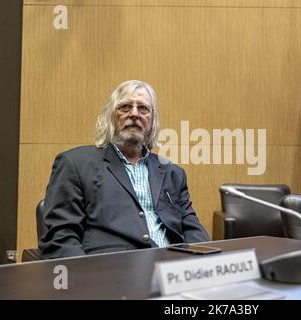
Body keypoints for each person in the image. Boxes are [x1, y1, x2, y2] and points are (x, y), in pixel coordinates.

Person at [39, 80, 210, 258]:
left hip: (172, 271)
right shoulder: (74, 164)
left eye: (143, 108)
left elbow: (192, 229)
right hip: (112, 273)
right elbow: (61, 237)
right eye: (125, 107)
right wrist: (86, 278)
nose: (134, 114)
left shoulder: (172, 172)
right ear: (110, 117)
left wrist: (206, 265)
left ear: (152, 121)